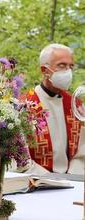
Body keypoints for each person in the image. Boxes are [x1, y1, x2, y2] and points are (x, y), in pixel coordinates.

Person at [26, 43, 85, 175]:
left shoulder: (76, 105)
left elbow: (82, 153)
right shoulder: (25, 105)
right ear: (44, 70)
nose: (68, 71)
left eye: (71, 66)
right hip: (38, 181)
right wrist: (48, 179)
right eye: (62, 65)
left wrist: (72, 177)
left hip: (72, 181)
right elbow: (21, 157)